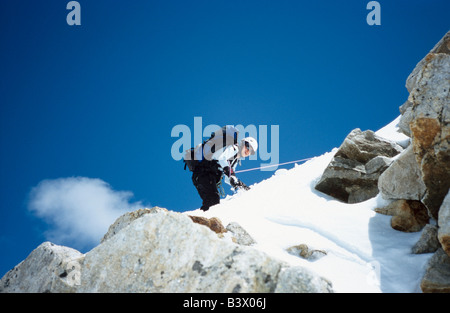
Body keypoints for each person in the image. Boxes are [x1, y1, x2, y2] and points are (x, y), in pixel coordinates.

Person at [192, 137, 258, 211]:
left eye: (251, 152)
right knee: (213, 200)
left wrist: (239, 184)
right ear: (243, 143)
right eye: (248, 147)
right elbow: (222, 158)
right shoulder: (233, 148)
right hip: (204, 173)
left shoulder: (235, 160)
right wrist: (229, 172)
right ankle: (201, 220)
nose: (248, 151)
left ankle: (202, 218)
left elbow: (228, 179)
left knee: (213, 201)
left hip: (206, 176)